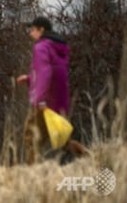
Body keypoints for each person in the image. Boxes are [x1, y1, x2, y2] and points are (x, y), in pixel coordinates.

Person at [16, 16, 86, 163]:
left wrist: (40, 99)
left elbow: (45, 72)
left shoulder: (41, 46)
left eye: (32, 29)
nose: (30, 33)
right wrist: (29, 79)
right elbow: (54, 72)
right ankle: (91, 157)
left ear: (41, 30)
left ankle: (32, 174)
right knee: (63, 140)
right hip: (60, 101)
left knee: (30, 137)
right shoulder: (58, 48)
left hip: (45, 102)